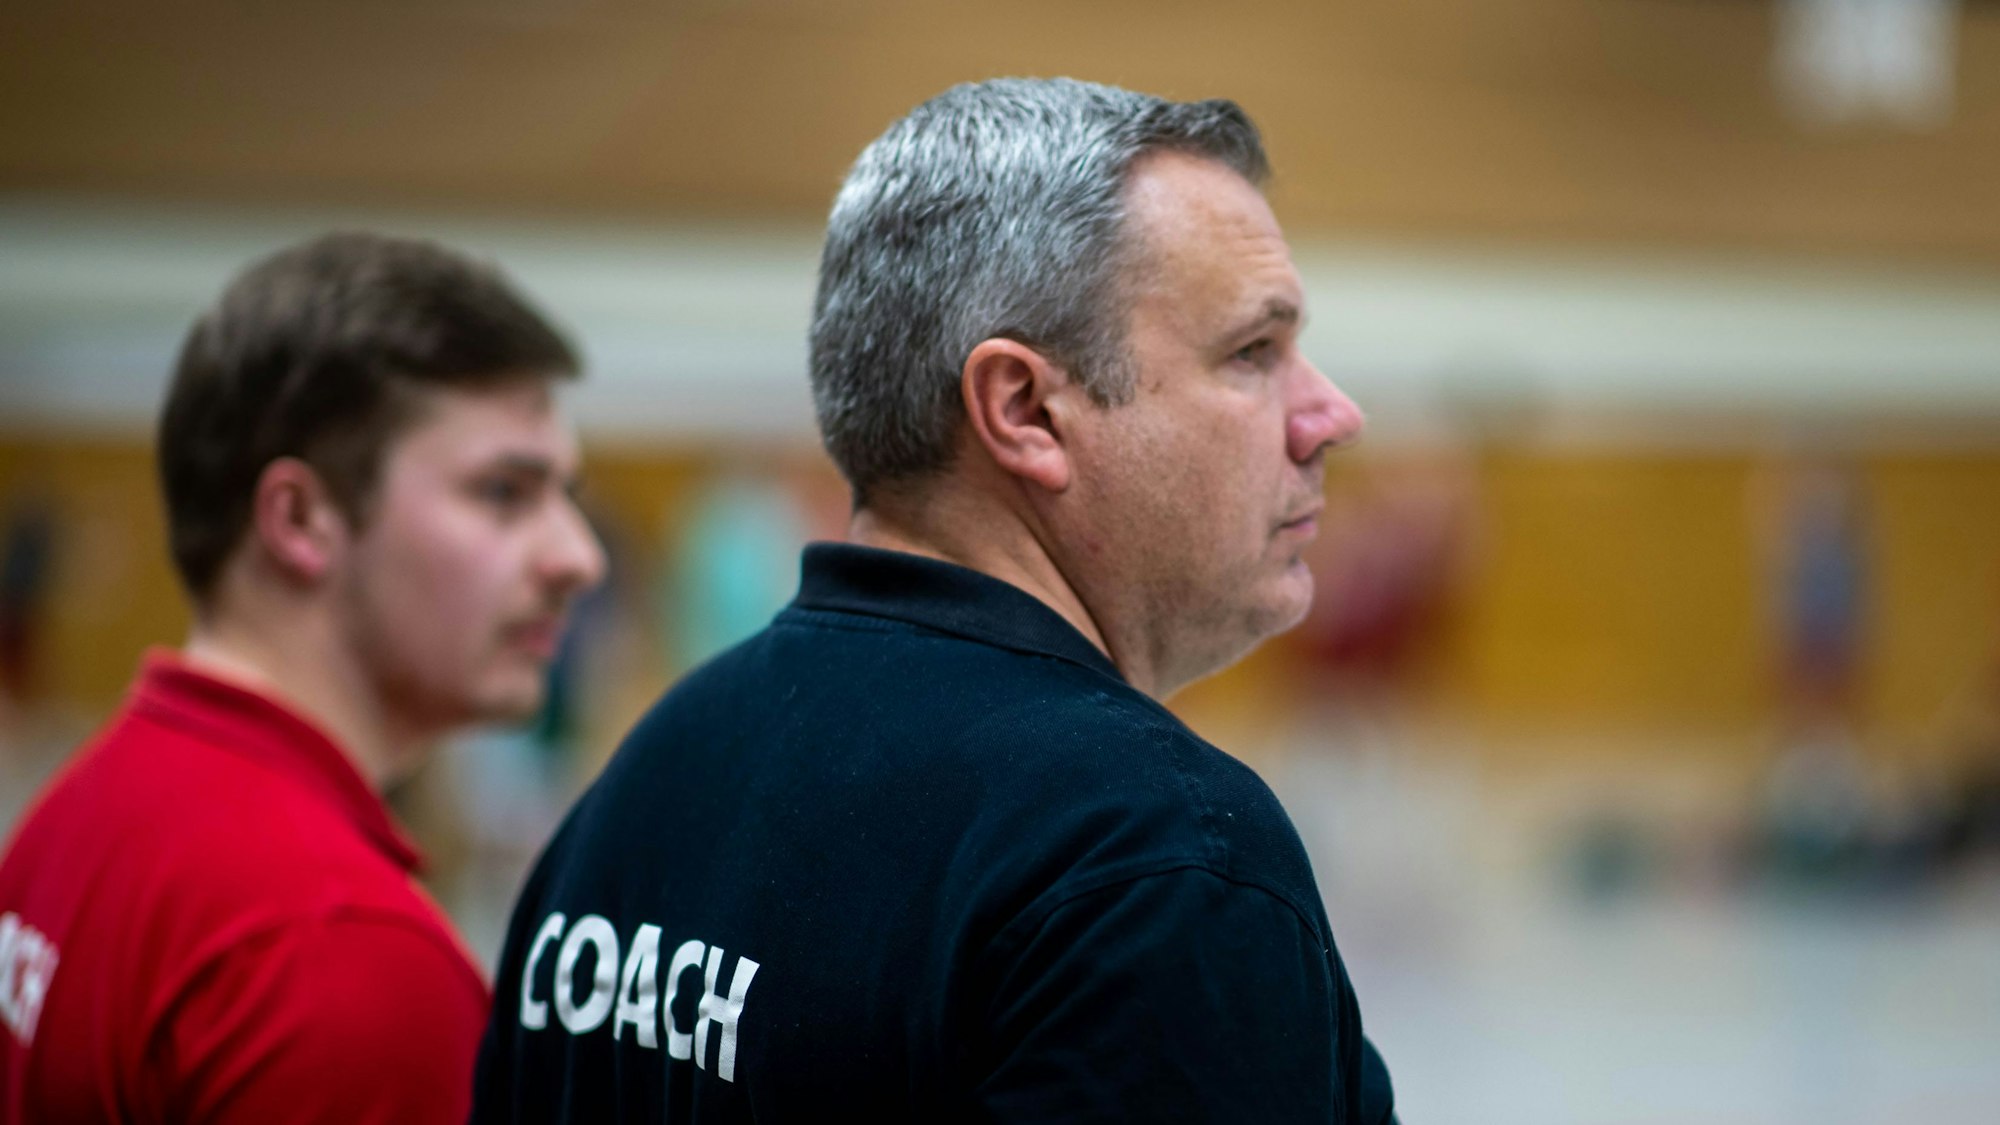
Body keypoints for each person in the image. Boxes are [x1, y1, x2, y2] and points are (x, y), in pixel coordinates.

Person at [474, 77, 1396, 1122]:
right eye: (1251, 352)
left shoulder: (648, 778)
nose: (1330, 414)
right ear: (1026, 410)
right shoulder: (1148, 864)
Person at [0, 232, 606, 1123]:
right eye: (504, 492)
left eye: (568, 497)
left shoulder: (82, 810)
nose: (578, 558)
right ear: (300, 517)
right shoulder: (340, 956)